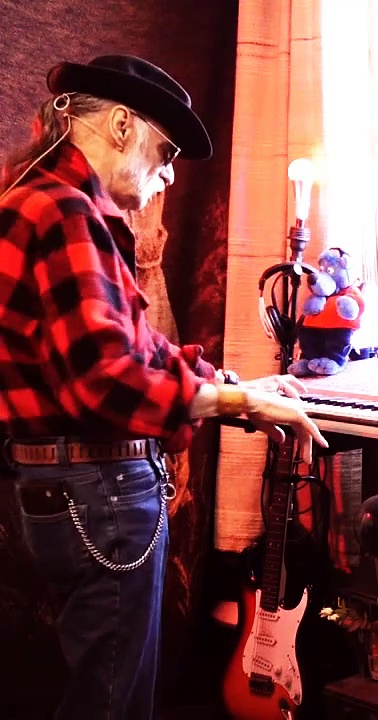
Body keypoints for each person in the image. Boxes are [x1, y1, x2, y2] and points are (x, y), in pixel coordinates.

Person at [0, 55, 328, 720]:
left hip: (61, 490)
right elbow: (108, 381)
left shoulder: (36, 200)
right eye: (167, 150)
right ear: (121, 125)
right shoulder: (65, 212)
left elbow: (138, 349)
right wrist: (240, 402)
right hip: (99, 493)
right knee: (114, 705)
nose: (171, 173)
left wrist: (236, 386)